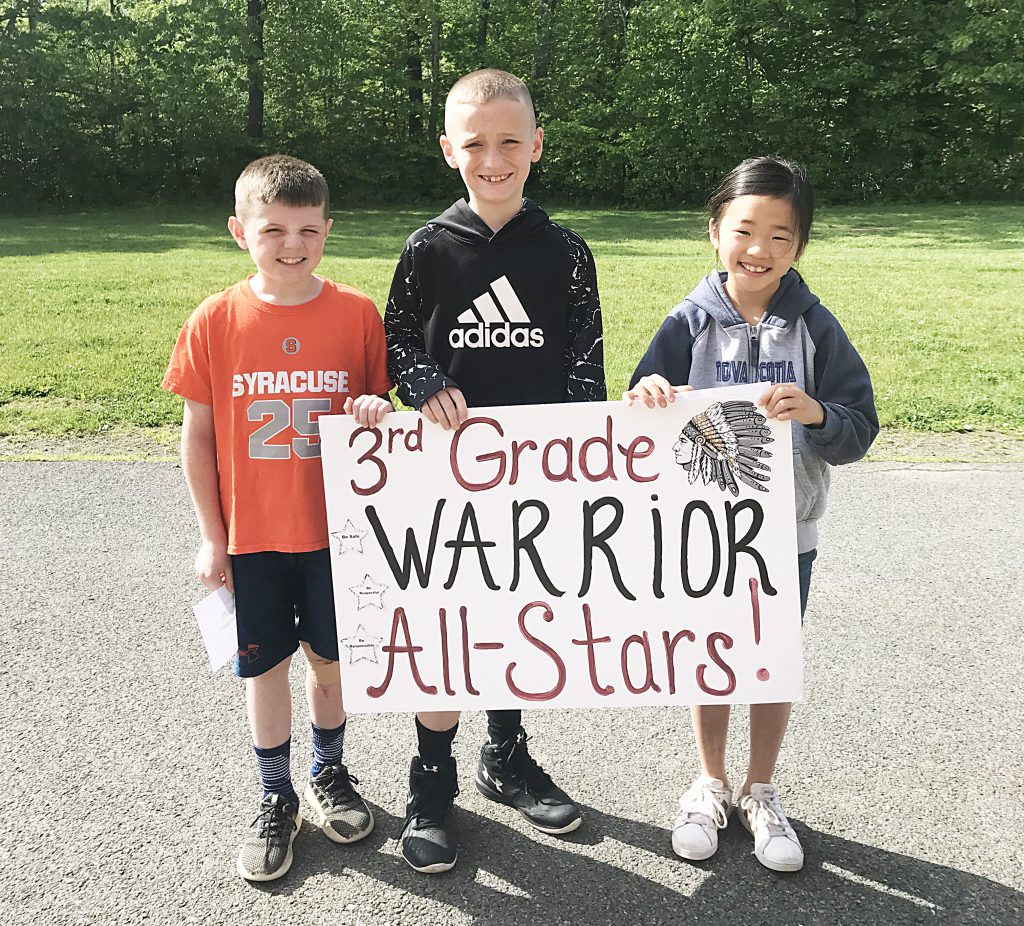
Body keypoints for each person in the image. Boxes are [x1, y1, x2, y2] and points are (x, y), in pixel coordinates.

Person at [626, 156, 878, 873]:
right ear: (714, 232)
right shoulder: (687, 322)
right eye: (744, 230)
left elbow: (860, 425)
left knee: (769, 664)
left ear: (799, 245)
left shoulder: (815, 329)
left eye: (780, 236)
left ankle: (760, 790)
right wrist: (646, 392)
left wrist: (820, 412)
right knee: (710, 660)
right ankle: (709, 783)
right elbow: (640, 406)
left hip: (785, 535)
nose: (759, 250)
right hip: (703, 534)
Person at [384, 68, 606, 874]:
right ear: (450, 150)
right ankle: (430, 777)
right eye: (476, 142)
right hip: (446, 482)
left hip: (536, 477)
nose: (494, 157)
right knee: (448, 626)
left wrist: (585, 458)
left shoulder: (566, 251)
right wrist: (425, 383)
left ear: (537, 145)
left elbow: (586, 364)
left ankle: (505, 754)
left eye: (511, 140)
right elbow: (396, 339)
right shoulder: (427, 248)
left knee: (516, 619)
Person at [162, 155, 393, 882]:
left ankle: (329, 774)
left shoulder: (355, 313)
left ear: (327, 230)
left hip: (335, 535)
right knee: (264, 669)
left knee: (330, 664)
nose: (291, 244)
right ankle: (274, 794)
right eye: (273, 229)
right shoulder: (215, 319)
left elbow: (376, 416)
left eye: (306, 229)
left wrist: (374, 410)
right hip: (253, 537)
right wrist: (210, 534)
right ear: (240, 232)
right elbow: (197, 436)